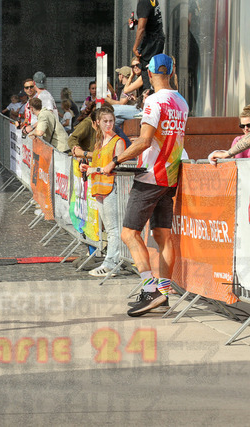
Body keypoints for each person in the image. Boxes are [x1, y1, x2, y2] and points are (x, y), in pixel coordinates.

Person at [103, 54, 188, 317]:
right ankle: (163, 294)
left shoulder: (154, 100)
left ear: (149, 74)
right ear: (171, 73)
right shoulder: (182, 101)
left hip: (150, 176)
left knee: (129, 233)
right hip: (170, 176)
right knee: (162, 236)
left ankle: (150, 290)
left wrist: (115, 161)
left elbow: (144, 141)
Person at [79, 106, 126, 277]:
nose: (108, 124)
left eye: (111, 121)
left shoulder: (118, 142)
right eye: (105, 121)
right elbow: (100, 163)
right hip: (99, 188)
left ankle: (111, 264)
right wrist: (88, 167)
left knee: (113, 229)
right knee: (109, 228)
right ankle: (111, 262)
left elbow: (117, 167)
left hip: (111, 187)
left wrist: (94, 169)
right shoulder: (99, 142)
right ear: (97, 122)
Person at [130, 0, 165, 91]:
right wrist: (137, 22)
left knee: (147, 70)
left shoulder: (143, 2)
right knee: (154, 69)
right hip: (157, 39)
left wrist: (135, 47)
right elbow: (150, 19)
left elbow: (141, 29)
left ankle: (148, 93)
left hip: (151, 42)